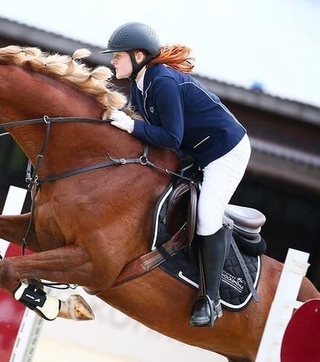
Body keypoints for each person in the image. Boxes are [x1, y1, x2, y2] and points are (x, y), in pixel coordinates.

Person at [101, 22, 251, 327]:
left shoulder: (163, 81)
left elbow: (170, 136)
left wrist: (129, 126)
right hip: (197, 153)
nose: (113, 61)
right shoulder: (140, 86)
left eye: (118, 55)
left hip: (225, 152)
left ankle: (210, 302)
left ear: (139, 56)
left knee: (208, 215)